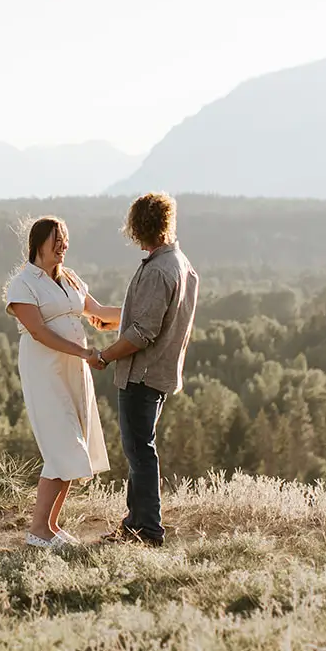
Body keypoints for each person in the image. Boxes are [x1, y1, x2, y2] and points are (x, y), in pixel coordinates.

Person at [3, 216, 124, 548]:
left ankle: (50, 525)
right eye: (56, 239)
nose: (62, 245)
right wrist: (84, 352)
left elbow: (99, 311)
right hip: (45, 370)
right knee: (62, 445)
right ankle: (38, 530)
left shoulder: (70, 278)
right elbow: (39, 332)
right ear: (38, 243)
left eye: (65, 240)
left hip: (74, 371)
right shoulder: (23, 284)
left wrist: (140, 313)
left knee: (74, 447)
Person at [88, 192, 199, 547]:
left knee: (140, 452)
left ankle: (148, 529)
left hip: (143, 374)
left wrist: (105, 356)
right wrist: (117, 324)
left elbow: (143, 333)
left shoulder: (158, 271)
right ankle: (134, 524)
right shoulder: (181, 264)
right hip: (161, 373)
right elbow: (157, 319)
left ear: (138, 227)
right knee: (140, 450)